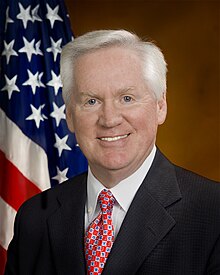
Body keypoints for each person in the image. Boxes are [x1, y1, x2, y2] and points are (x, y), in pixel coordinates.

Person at [5, 30, 220, 275]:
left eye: (127, 98)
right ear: (70, 116)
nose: (109, 120)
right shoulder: (34, 219)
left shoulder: (213, 213)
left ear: (161, 106)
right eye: (91, 101)